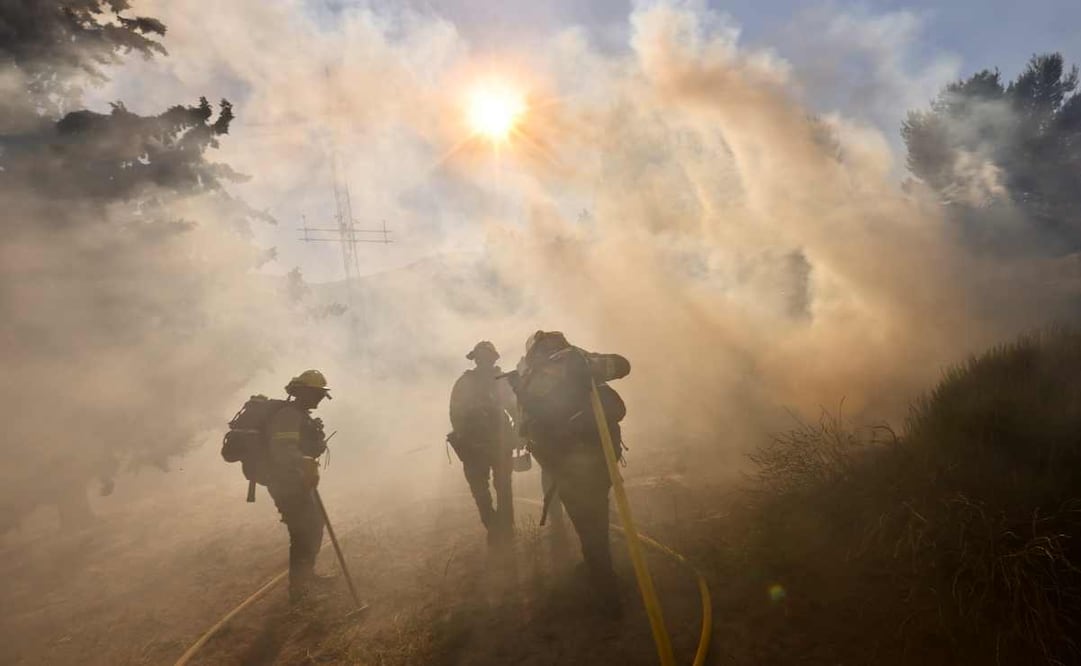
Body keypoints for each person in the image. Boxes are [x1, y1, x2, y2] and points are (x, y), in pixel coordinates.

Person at [510, 331, 630, 602]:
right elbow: (623, 365)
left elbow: (525, 429)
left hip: (563, 467)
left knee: (588, 523)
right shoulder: (576, 359)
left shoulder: (531, 379)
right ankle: (600, 570)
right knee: (595, 517)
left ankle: (605, 588)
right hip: (598, 458)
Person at [264, 369, 331, 603]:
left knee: (313, 525)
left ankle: (306, 577)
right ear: (302, 392)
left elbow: (304, 447)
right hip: (285, 483)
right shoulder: (288, 416)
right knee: (302, 531)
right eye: (317, 394)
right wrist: (303, 461)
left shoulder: (301, 415)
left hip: (297, 480)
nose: (319, 399)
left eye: (321, 395)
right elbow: (282, 451)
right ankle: (299, 591)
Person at [448, 341, 519, 544]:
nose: (484, 361)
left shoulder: (499, 381)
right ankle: (496, 527)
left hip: (496, 443)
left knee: (499, 487)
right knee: (485, 489)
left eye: (487, 357)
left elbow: (514, 408)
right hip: (477, 445)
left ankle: (503, 528)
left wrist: (516, 432)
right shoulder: (467, 382)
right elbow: (455, 412)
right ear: (477, 359)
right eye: (482, 357)